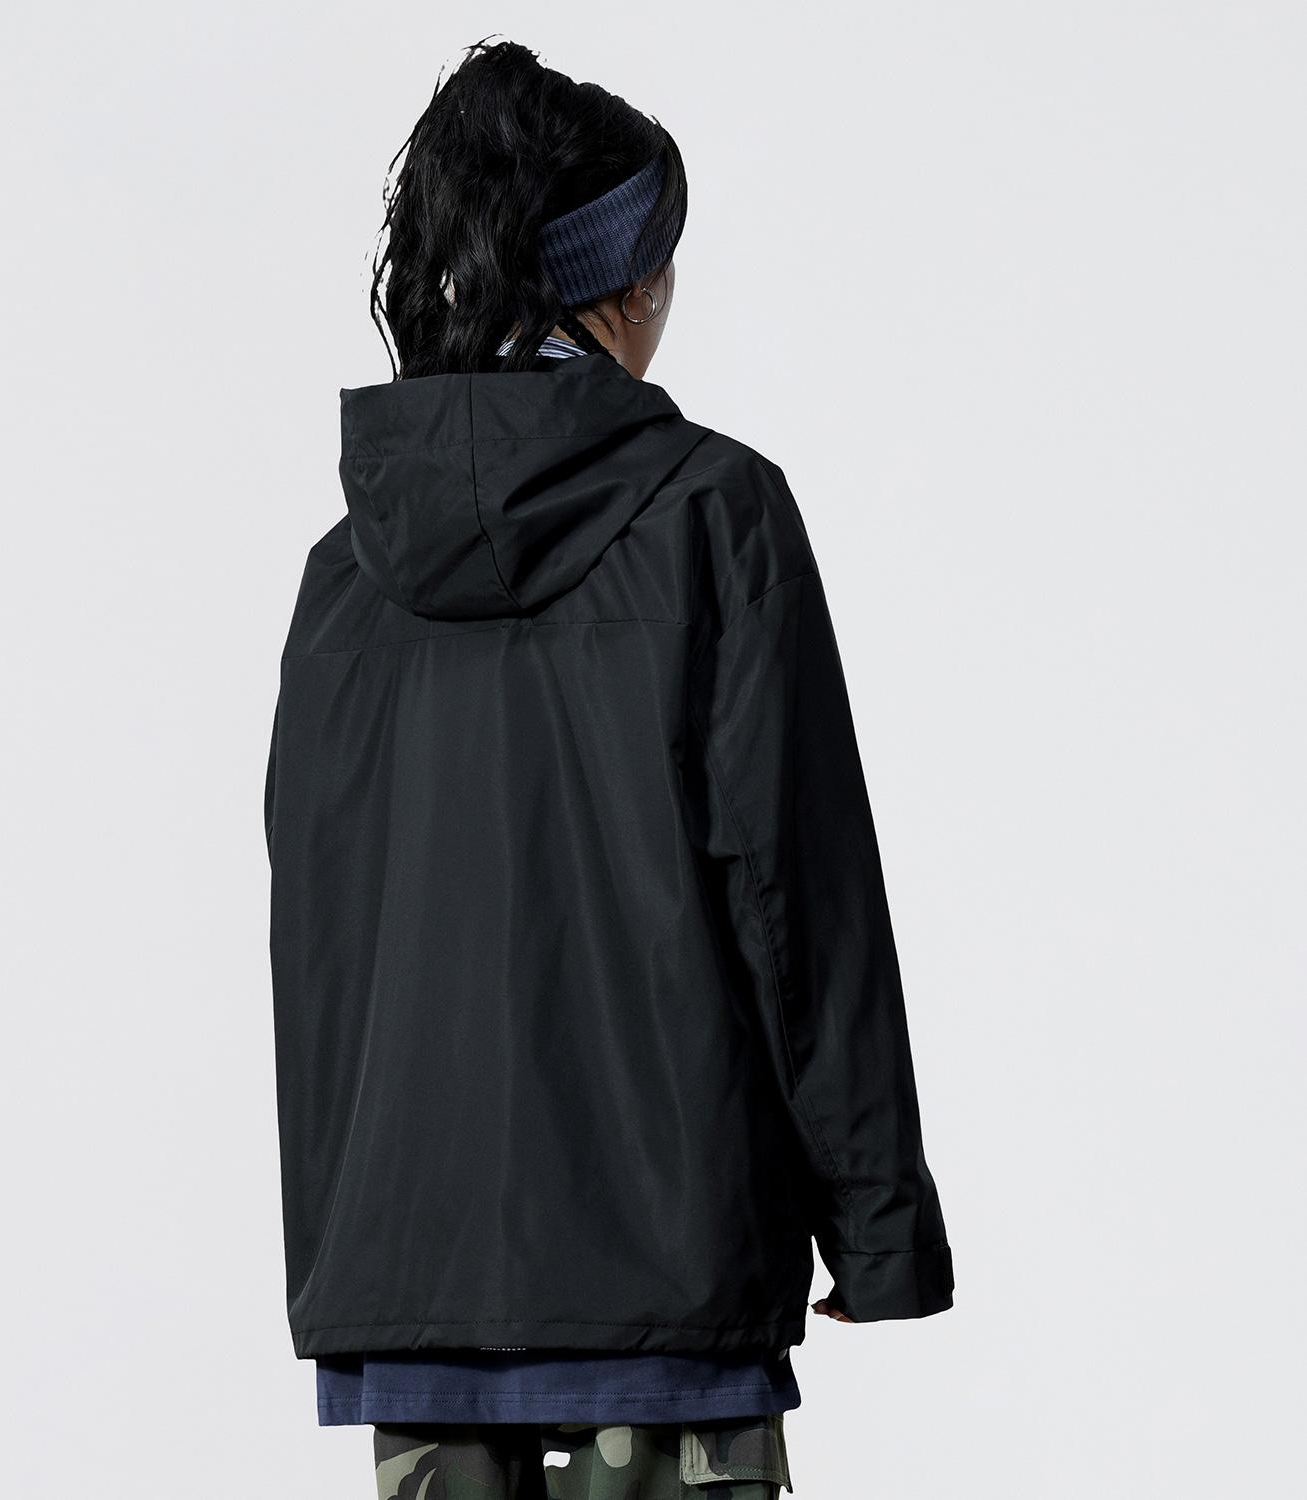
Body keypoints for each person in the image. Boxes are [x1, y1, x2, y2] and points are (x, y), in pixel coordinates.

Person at [264, 38, 954, 1499]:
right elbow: (799, 894)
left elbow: (319, 946)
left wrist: (343, 1254)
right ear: (623, 285)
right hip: (667, 1283)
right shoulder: (716, 514)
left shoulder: (346, 571)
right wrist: (877, 1224)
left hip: (411, 1288)